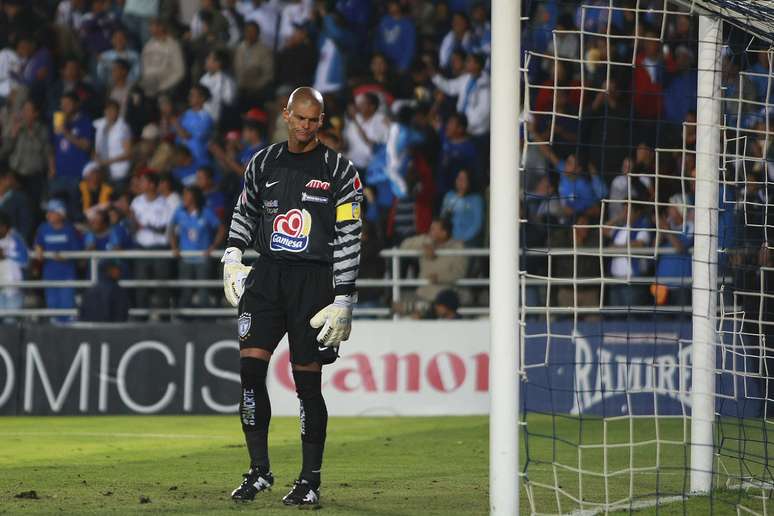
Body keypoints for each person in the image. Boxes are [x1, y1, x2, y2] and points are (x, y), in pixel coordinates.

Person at [222, 87, 362, 508]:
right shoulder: (263, 162)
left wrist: (344, 298)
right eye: (299, 118)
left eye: (313, 120)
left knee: (307, 384)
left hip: (313, 282)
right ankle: (259, 470)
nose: (305, 125)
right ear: (286, 115)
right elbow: (245, 211)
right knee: (250, 373)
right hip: (267, 275)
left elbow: (350, 236)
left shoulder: (340, 171)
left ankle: (309, 479)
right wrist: (232, 254)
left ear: (322, 121)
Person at [169, 186, 224, 308]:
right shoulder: (179, 212)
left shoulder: (206, 212)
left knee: (203, 291)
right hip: (185, 258)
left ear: (194, 197)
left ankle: (204, 321)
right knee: (185, 291)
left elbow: (221, 229)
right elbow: (171, 230)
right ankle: (184, 320)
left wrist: (213, 247)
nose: (183, 197)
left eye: (186, 195)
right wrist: (174, 247)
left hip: (202, 259)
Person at [34, 199, 83, 320]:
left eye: (52, 212)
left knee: (66, 307)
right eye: (48, 212)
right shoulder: (43, 228)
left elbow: (77, 250)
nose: (48, 215)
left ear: (61, 214)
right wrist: (38, 248)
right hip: (50, 274)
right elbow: (38, 243)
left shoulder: (69, 230)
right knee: (52, 307)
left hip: (66, 275)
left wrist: (64, 257)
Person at [0, 211, 28, 318]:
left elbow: (25, 261)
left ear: (6, 227)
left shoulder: (16, 239)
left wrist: (6, 255)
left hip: (13, 289)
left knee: (10, 320)